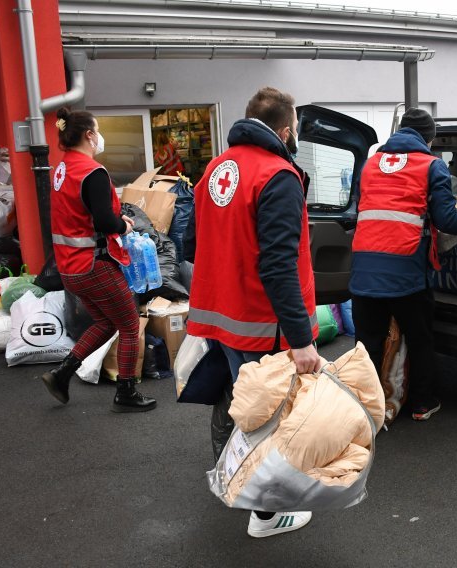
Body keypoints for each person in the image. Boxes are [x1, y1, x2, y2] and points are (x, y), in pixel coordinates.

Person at [186, 87, 320, 538]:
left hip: (221, 313)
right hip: (261, 323)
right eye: (296, 128)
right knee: (267, 415)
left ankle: (228, 475)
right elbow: (279, 265)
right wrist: (302, 340)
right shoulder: (278, 175)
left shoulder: (216, 169)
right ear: (285, 129)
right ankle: (265, 513)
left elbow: (191, 242)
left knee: (238, 398)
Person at [350, 107, 457, 421]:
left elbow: (365, 208)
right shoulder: (431, 166)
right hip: (406, 274)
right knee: (420, 338)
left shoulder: (370, 165)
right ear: (429, 138)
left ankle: (363, 410)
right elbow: (446, 219)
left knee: (367, 343)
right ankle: (422, 404)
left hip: (364, 272)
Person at [39, 107, 156, 413]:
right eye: (98, 130)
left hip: (69, 267)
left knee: (105, 322)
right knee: (130, 325)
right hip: (94, 264)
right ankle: (126, 391)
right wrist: (124, 224)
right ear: (89, 135)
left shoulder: (61, 170)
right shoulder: (92, 172)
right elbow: (104, 221)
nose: (100, 136)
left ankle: (62, 374)